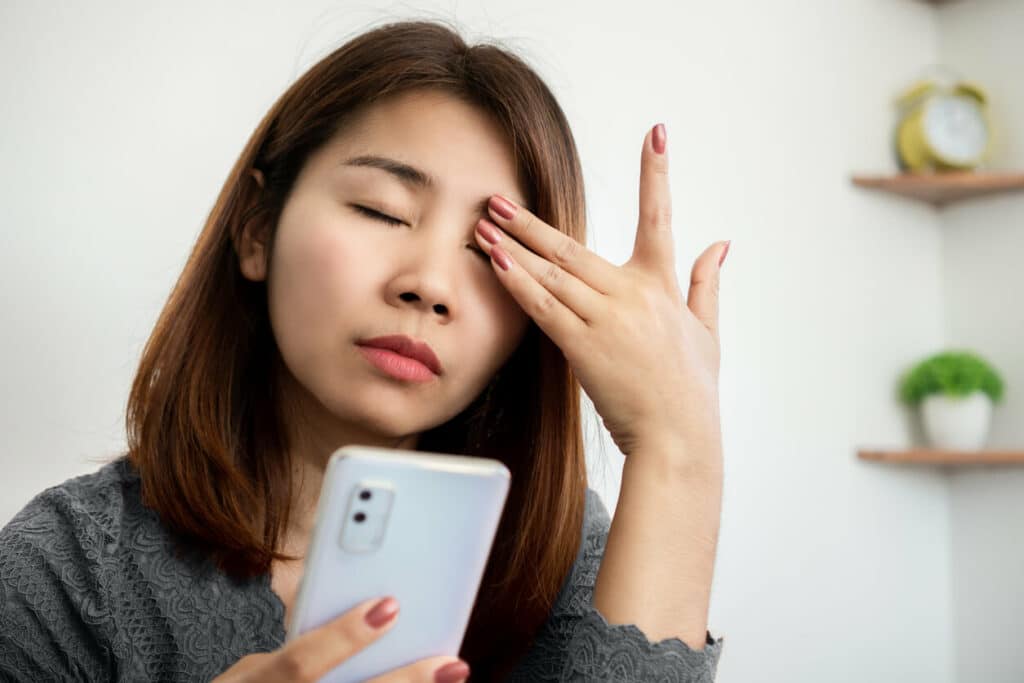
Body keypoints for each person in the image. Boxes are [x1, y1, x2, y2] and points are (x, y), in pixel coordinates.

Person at [0, 18, 727, 682]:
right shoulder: (61, 576)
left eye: (488, 250)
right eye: (382, 210)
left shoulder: (566, 562)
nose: (430, 286)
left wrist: (678, 445)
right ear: (258, 228)